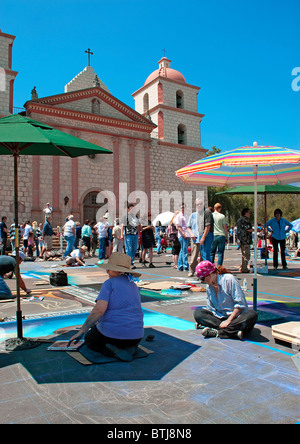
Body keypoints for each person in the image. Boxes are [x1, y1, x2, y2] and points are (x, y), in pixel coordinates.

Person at [68, 252, 144, 361]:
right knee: (104, 329)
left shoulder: (109, 283)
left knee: (90, 339)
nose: (107, 271)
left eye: (110, 269)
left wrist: (82, 330)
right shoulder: (133, 285)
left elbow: (99, 310)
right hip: (137, 335)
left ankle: (113, 351)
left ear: (118, 270)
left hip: (114, 335)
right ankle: (130, 347)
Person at [193, 260, 258, 339]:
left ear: (209, 274)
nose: (203, 281)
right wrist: (202, 319)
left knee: (252, 315)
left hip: (235, 317)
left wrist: (229, 320)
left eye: (202, 279)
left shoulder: (229, 279)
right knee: (198, 313)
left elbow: (240, 305)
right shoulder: (209, 287)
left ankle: (219, 332)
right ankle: (232, 332)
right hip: (220, 318)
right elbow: (211, 308)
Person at [186, 199, 214, 277]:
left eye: (200, 204)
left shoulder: (206, 213)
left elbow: (208, 226)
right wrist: (191, 234)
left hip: (203, 237)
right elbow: (188, 227)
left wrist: (203, 237)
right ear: (195, 205)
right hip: (195, 238)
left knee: (204, 256)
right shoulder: (193, 215)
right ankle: (192, 270)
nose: (199, 205)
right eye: (197, 204)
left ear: (203, 204)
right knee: (194, 257)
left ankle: (204, 271)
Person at [121, 203, 141, 269]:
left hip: (135, 235)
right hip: (128, 234)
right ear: (128, 209)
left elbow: (138, 226)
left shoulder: (136, 217)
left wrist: (138, 234)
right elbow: (122, 225)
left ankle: (131, 261)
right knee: (128, 249)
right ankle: (130, 263)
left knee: (134, 249)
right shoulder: (125, 216)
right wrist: (122, 234)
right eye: (131, 208)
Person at [236, 208, 253, 273]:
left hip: (241, 238)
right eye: (249, 212)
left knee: (244, 254)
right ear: (245, 213)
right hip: (245, 239)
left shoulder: (239, 220)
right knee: (246, 254)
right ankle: (244, 268)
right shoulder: (246, 220)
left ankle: (243, 266)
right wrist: (256, 230)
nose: (250, 214)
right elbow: (248, 229)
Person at [175, 203, 190, 271]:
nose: (183, 209)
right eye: (182, 208)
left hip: (186, 234)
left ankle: (180, 265)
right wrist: (184, 234)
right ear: (179, 208)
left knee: (182, 250)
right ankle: (185, 265)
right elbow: (178, 226)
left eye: (184, 207)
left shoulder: (186, 216)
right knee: (185, 251)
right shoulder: (179, 216)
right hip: (182, 235)